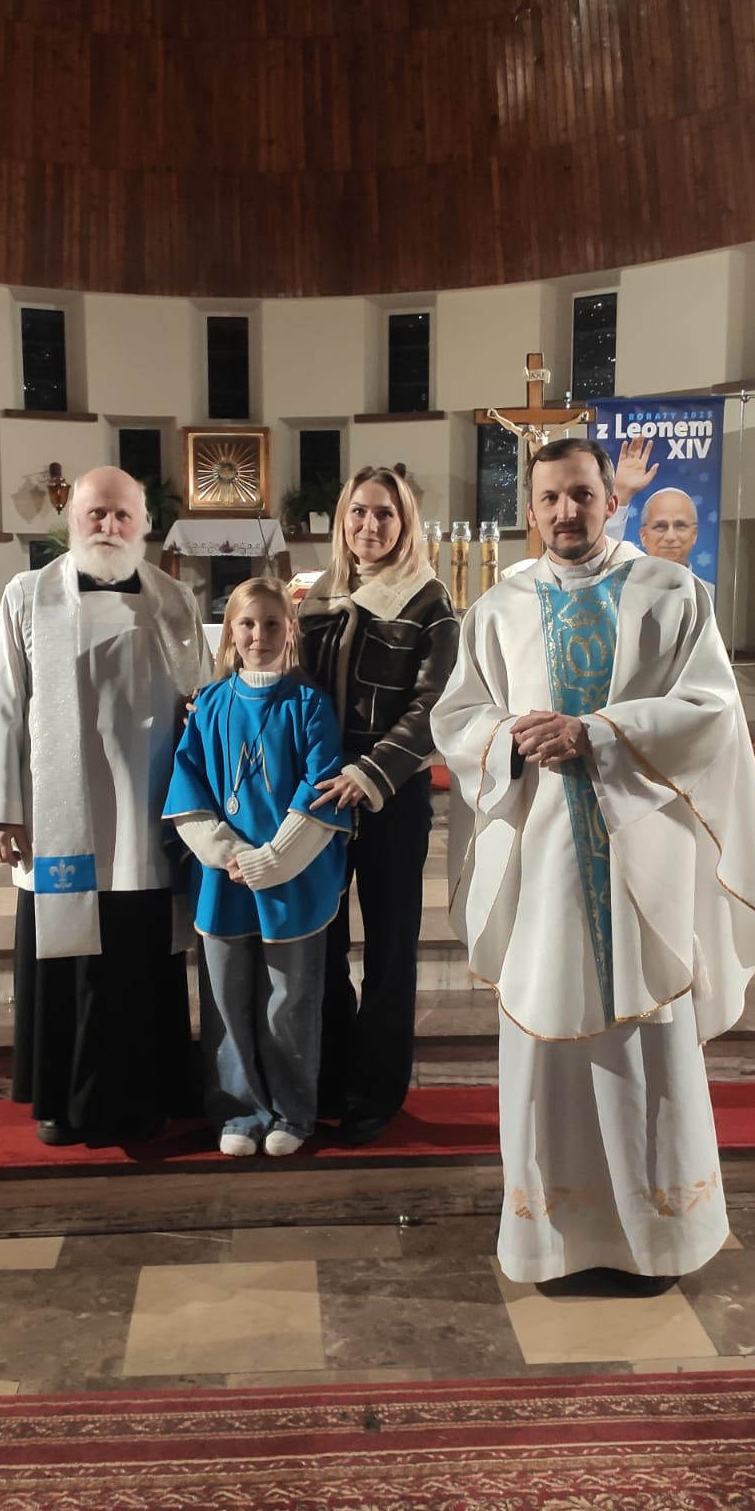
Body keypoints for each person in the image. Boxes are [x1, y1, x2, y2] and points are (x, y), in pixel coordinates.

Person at [432, 436, 755, 1290]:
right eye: (550, 498)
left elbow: (710, 709)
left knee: (645, 1046)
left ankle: (658, 1238)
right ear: (530, 511)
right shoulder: (499, 610)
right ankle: (554, 1239)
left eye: (582, 494)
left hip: (640, 861)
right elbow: (460, 717)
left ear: (610, 500)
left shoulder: (672, 593)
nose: (566, 512)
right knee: (547, 1040)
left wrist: (597, 732)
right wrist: (508, 738)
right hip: (545, 862)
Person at [0, 467, 212, 1146]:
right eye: (96, 513)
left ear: (145, 525)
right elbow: (2, 703)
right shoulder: (28, 595)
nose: (109, 526)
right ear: (71, 519)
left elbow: (205, 706)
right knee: (65, 960)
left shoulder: (174, 601)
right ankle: (61, 1100)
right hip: (57, 818)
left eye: (123, 515)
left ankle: (146, 1096)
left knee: (141, 959)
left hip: (147, 815)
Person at [297, 465, 459, 1145]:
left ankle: (377, 1090)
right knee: (323, 941)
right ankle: (329, 1076)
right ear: (343, 519)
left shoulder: (428, 599)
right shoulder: (317, 596)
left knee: (390, 948)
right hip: (320, 796)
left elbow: (434, 704)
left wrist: (371, 772)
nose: (370, 525)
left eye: (384, 513)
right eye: (359, 511)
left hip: (391, 794)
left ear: (405, 522)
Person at [164, 578, 352, 1157]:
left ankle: (293, 1113)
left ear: (290, 630)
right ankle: (239, 1111)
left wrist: (273, 859)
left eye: (272, 624)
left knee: (289, 1002)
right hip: (224, 878)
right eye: (247, 624)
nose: (259, 635)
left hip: (292, 875)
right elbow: (187, 786)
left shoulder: (309, 705)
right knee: (226, 1000)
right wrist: (223, 852)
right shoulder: (210, 705)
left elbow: (321, 789)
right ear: (230, 633)